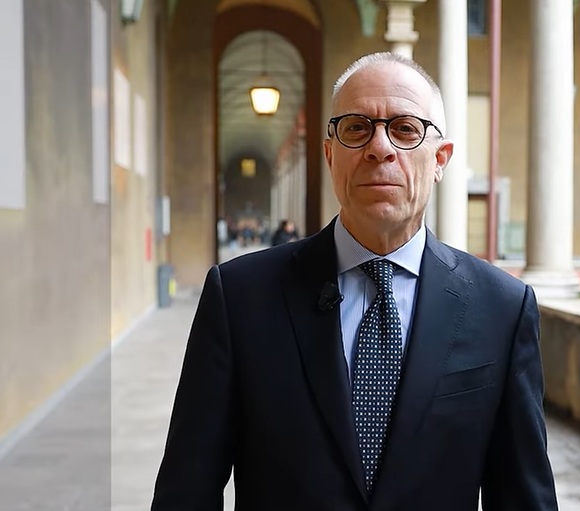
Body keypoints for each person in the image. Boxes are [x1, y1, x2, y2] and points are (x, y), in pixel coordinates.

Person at [151, 52, 558, 510]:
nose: (379, 147)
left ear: (440, 159)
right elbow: (186, 492)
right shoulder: (240, 298)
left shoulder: (502, 308)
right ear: (330, 154)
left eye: (405, 129)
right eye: (357, 128)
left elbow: (524, 497)